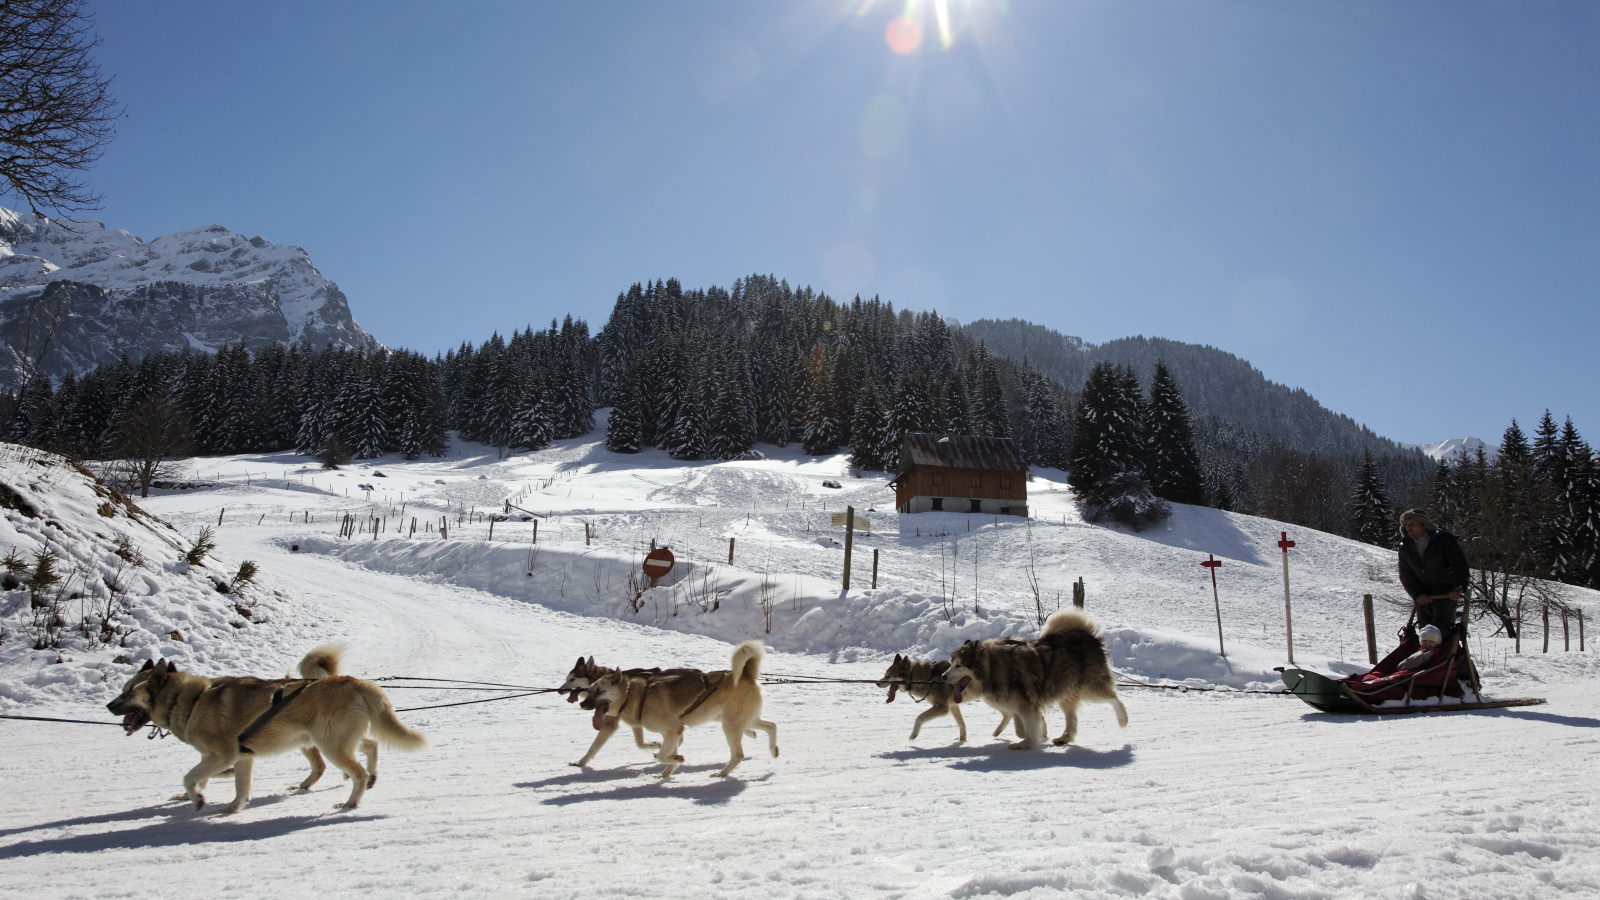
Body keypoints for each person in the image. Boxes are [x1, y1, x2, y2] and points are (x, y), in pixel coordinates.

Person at [1397, 509, 1469, 634]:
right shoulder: (1405, 547)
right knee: (1425, 635)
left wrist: (1459, 588)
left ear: (1424, 525)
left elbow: (1460, 565)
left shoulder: (1443, 539)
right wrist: (1417, 594)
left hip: (1445, 594)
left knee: (1443, 633)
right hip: (1423, 597)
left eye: (1412, 524)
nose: (1408, 528)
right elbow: (1405, 575)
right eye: (1406, 525)